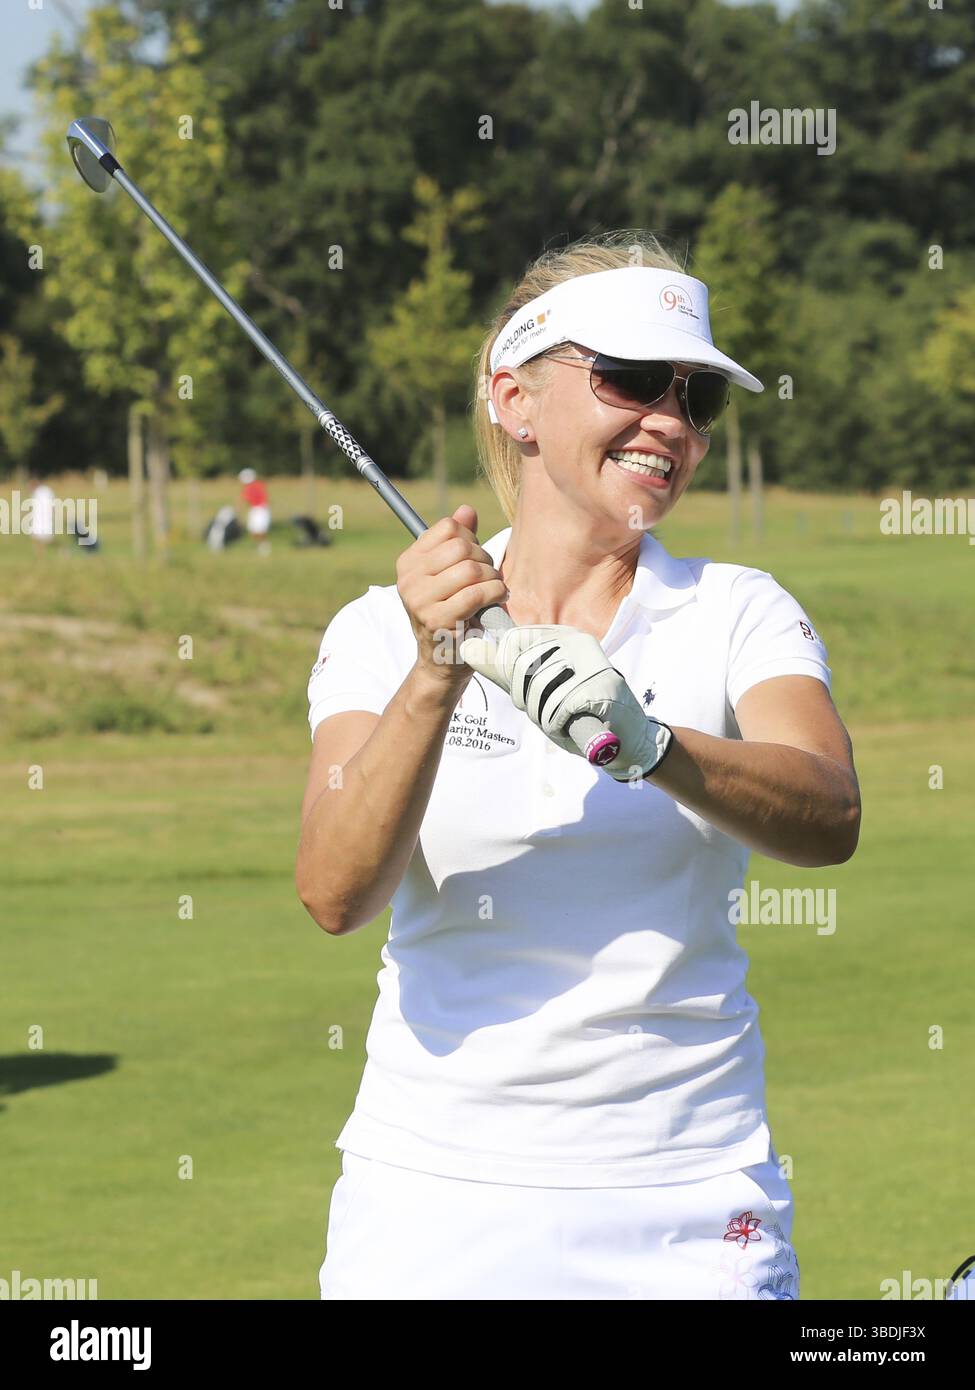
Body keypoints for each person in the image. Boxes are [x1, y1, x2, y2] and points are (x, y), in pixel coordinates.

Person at [297, 232, 861, 1301]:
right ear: (515, 398)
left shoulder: (737, 608)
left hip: (688, 1198)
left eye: (697, 398)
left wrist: (653, 747)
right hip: (431, 1201)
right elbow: (334, 891)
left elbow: (829, 813)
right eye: (634, 379)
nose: (671, 422)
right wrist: (435, 670)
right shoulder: (379, 629)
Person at [238, 467, 271, 555]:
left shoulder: (254, 486)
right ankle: (260, 547)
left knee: (259, 530)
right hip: (256, 509)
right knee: (253, 530)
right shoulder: (255, 486)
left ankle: (264, 547)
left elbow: (246, 500)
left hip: (260, 509)